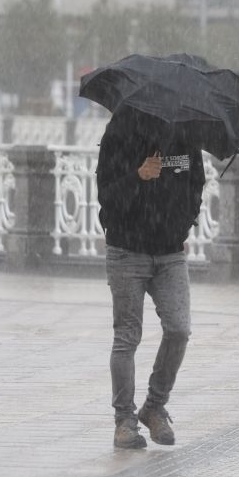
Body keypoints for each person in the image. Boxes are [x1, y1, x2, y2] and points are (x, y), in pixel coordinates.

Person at [96, 107, 206, 449]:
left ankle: (154, 407)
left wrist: (183, 223)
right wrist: (138, 176)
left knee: (179, 329)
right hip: (127, 250)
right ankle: (124, 421)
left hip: (170, 252)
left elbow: (195, 184)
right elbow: (106, 197)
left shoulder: (186, 132)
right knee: (127, 336)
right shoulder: (120, 131)